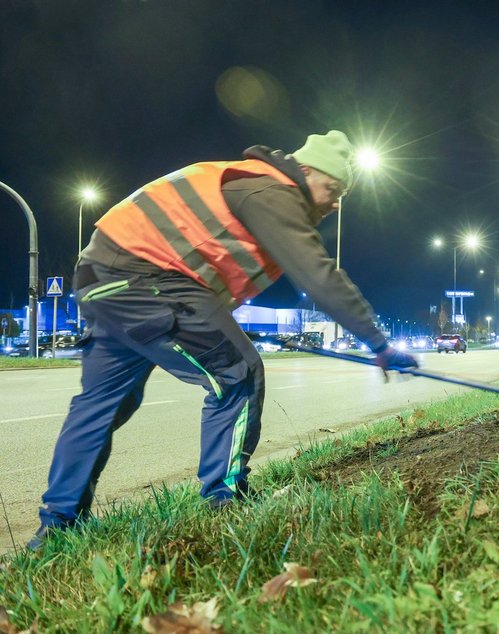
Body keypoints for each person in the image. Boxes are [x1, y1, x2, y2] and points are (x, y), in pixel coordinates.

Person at [30, 131, 417, 548]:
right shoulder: (273, 192)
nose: (336, 202)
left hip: (102, 277)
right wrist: (380, 344)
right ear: (305, 173)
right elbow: (319, 277)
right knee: (238, 374)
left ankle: (57, 526)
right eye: (333, 189)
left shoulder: (251, 184)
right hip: (147, 278)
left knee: (101, 405)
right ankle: (224, 499)